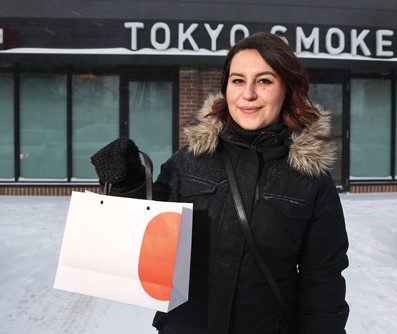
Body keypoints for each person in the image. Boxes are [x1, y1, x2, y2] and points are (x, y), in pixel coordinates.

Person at [91, 32, 349, 334]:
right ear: (226, 88)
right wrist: (128, 184)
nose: (248, 94)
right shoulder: (190, 161)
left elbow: (323, 282)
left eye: (264, 81)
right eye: (238, 80)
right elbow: (149, 237)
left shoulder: (311, 180)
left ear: (287, 89)